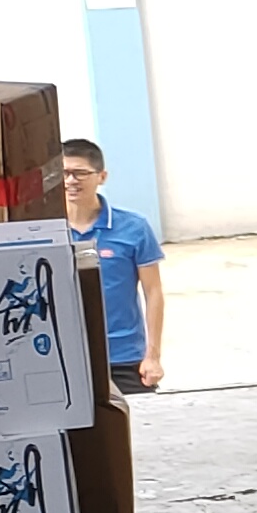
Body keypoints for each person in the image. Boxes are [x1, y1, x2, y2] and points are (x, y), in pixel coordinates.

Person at [56, 137, 165, 394]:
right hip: (65, 358)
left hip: (123, 358)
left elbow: (154, 293)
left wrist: (153, 357)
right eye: (64, 173)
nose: (71, 181)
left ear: (101, 176)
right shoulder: (43, 228)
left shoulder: (134, 228)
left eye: (80, 173)